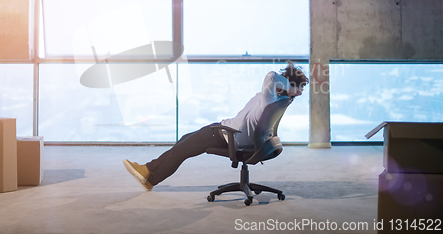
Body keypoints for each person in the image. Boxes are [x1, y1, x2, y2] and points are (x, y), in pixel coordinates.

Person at [123, 61, 309, 191]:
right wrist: (290, 87)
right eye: (300, 87)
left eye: (301, 88)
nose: (301, 92)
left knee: (182, 150)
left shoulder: (272, 98)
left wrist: (290, 86)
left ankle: (149, 175)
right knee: (183, 141)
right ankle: (149, 172)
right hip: (228, 131)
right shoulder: (279, 99)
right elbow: (272, 80)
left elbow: (270, 76)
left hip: (227, 135)